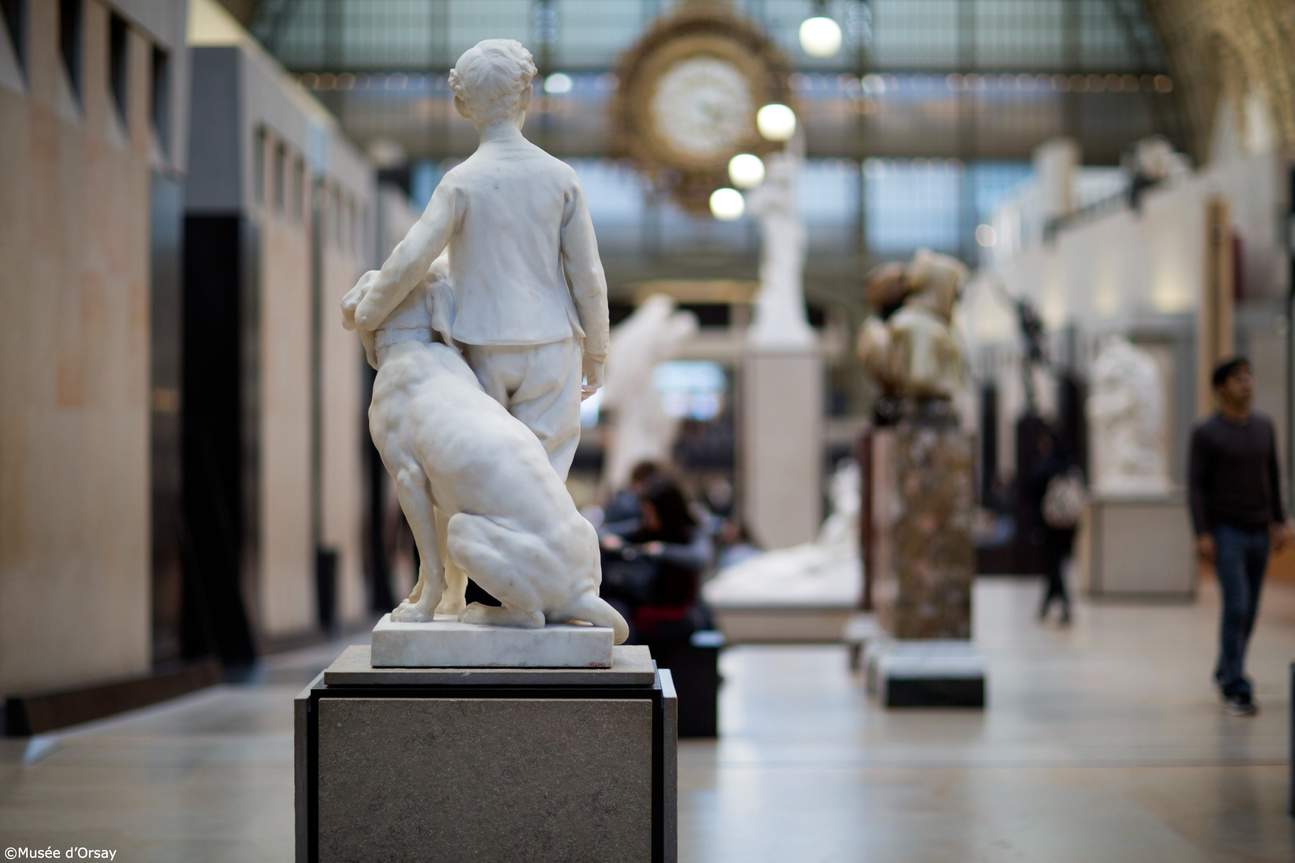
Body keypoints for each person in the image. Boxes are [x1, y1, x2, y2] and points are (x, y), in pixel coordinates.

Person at [353, 39, 609, 480]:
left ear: (459, 104)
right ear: (528, 96)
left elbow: (410, 258)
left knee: (487, 476)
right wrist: (598, 350)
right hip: (552, 345)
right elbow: (587, 276)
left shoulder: (460, 183)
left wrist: (369, 312)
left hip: (481, 346)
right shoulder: (560, 178)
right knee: (543, 483)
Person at [1189, 357, 1292, 716]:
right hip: (1226, 531)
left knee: (1249, 611)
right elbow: (1196, 487)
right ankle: (1236, 683)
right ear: (1221, 389)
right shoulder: (1206, 433)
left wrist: (1279, 520)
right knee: (1236, 605)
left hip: (1259, 530)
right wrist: (1202, 532)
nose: (1247, 383)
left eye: (1249, 376)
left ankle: (1225, 667)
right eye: (1238, 379)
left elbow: (1273, 475)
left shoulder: (1264, 427)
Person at [1029, 426, 1080, 625]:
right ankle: (1047, 605)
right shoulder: (1068, 465)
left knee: (1053, 566)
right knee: (1056, 566)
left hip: (1051, 525)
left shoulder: (1047, 465)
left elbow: (1033, 487)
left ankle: (1061, 604)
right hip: (1069, 525)